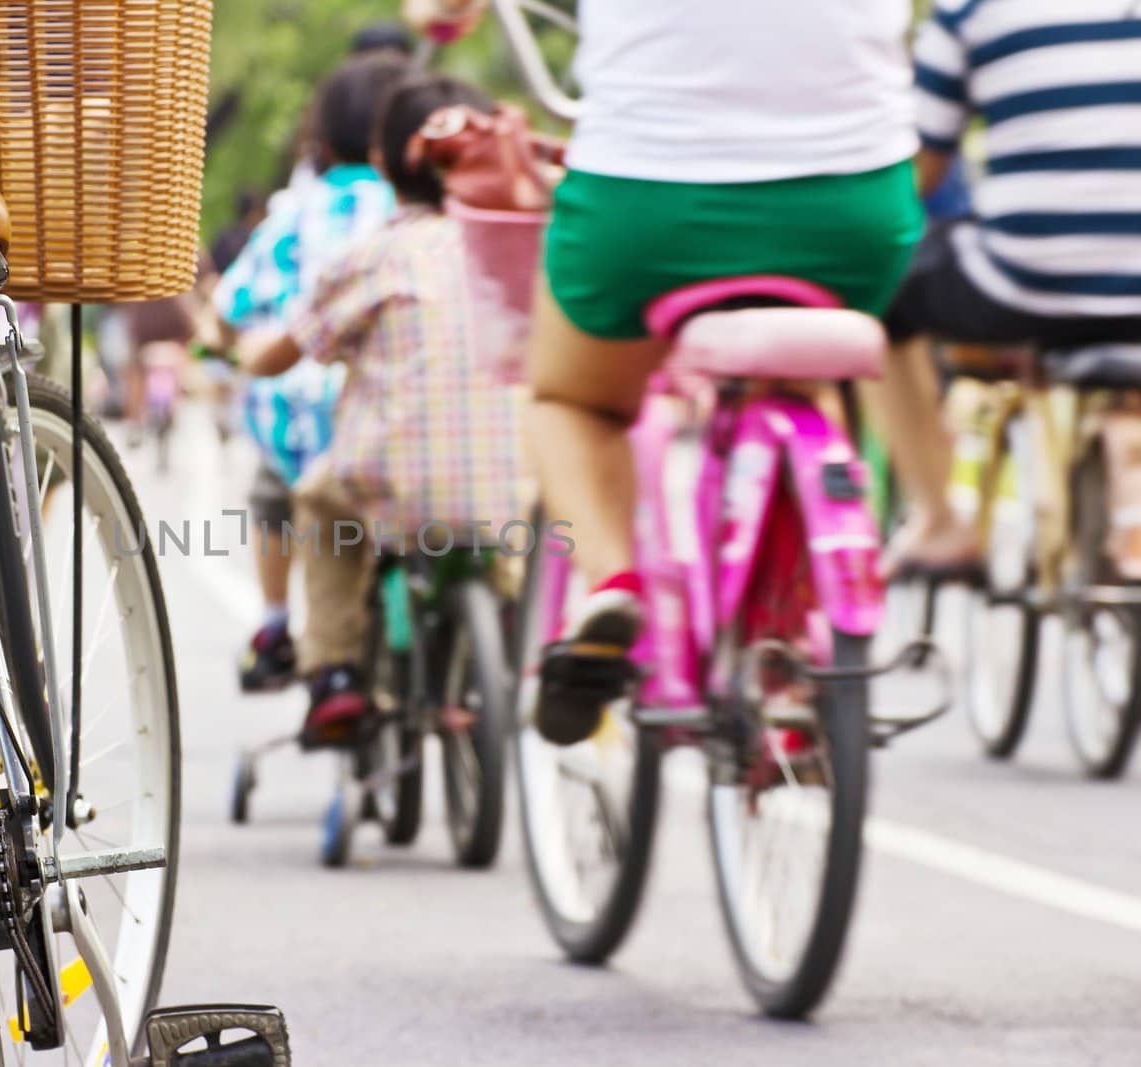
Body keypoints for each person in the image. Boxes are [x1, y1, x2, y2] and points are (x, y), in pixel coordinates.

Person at [419, 0, 924, 744]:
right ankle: (800, 611)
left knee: (569, 399)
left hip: (647, 202)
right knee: (804, 363)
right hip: (855, 209)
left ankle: (614, 586)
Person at [240, 76, 528, 744]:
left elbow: (285, 351)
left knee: (317, 498)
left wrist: (247, 354)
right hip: (507, 477)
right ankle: (510, 614)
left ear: (384, 164)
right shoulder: (516, 250)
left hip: (394, 480)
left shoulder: (374, 255)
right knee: (512, 503)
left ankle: (336, 671)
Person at [872, 0, 1141, 577]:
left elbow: (914, 170)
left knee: (880, 295)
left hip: (1029, 285)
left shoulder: (970, 10)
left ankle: (942, 519)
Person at [214, 51, 409, 692]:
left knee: (274, 493)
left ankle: (275, 625)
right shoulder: (416, 208)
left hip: (306, 416)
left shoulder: (295, 211)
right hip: (406, 414)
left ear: (320, 140)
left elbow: (230, 306)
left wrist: (226, 347)